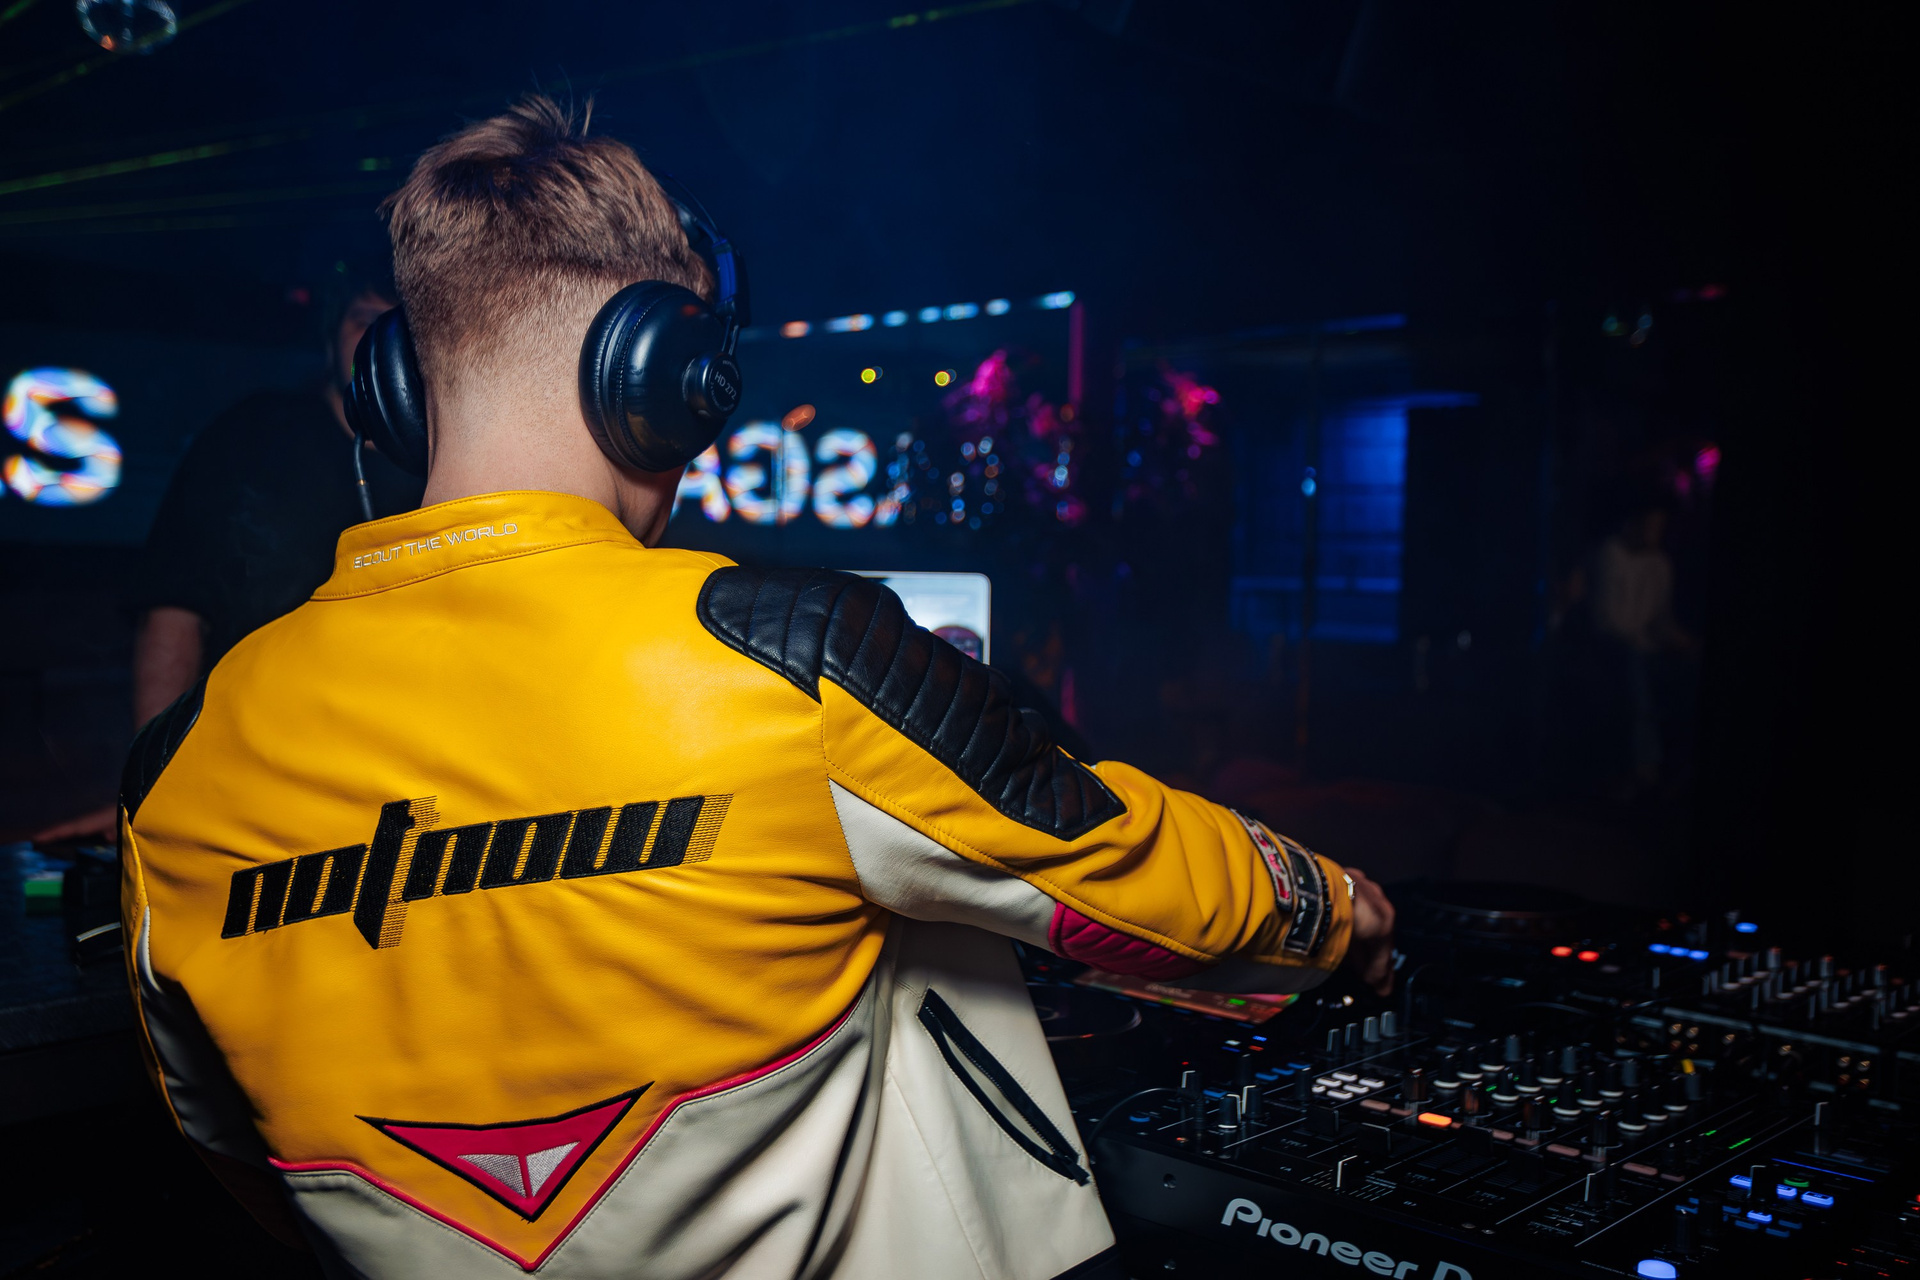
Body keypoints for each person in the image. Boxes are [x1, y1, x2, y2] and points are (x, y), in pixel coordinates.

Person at [117, 96, 1394, 1280]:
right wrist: (1342, 911)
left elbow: (233, 1150)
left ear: (400, 390)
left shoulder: (179, 773)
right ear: (661, 378)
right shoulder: (785, 654)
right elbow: (1128, 878)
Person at [32, 271, 422, 846]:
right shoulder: (252, 436)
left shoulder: (441, 459)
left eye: (395, 325)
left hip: (392, 780)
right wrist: (154, 792)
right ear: (328, 336)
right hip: (248, 774)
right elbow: (175, 607)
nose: (373, 341)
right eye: (362, 320)